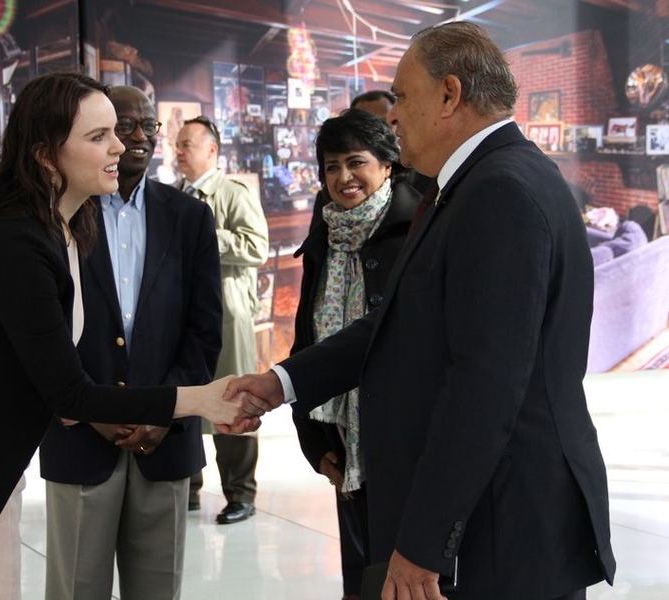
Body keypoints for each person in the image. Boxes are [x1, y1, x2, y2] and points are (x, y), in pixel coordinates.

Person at [227, 22, 616, 599]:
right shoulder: (469, 185)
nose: (394, 117)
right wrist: (281, 382)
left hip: (499, 528)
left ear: (449, 94)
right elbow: (398, 322)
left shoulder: (498, 192)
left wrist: (426, 544)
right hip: (488, 516)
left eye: (403, 97)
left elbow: (484, 384)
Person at [0, 73, 245, 600]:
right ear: (46, 155)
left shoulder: (63, 228)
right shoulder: (17, 242)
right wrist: (203, 400)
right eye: (99, 136)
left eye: (120, 133)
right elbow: (69, 395)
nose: (122, 146)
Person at [38, 86, 222, 600]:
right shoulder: (60, 218)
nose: (136, 138)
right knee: (76, 588)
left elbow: (205, 332)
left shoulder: (189, 218)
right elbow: (45, 331)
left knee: (158, 590)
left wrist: (162, 410)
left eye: (148, 126)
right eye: (121, 127)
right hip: (80, 438)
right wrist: (89, 405)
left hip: (162, 440)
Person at [291, 109, 419, 600]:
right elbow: (308, 340)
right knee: (362, 578)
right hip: (346, 445)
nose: (343, 178)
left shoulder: (418, 228)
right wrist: (313, 439)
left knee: (409, 577)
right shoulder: (326, 232)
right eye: (331, 166)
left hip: (406, 440)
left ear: (388, 164)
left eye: (356, 162)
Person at [176, 115, 269, 523]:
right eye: (176, 145)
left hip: (227, 313)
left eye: (186, 145)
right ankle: (188, 489)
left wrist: (204, 233)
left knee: (235, 400)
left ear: (211, 150)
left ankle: (241, 494)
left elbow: (256, 246)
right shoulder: (175, 195)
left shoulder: (231, 193)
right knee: (188, 401)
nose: (178, 152)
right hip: (183, 316)